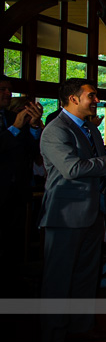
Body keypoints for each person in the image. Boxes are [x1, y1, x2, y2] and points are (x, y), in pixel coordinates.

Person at [39, 78, 106, 342]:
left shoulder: (90, 129)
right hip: (65, 214)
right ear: (73, 99)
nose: (96, 101)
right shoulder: (56, 130)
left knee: (86, 275)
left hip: (93, 210)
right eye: (91, 96)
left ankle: (82, 326)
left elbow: (101, 166)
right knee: (58, 279)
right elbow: (72, 169)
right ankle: (54, 332)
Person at [0, 77, 43, 297]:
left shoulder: (9, 117)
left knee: (13, 249)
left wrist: (34, 127)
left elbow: (32, 151)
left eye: (10, 90)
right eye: (3, 89)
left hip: (18, 192)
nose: (8, 93)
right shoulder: (11, 122)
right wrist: (15, 128)